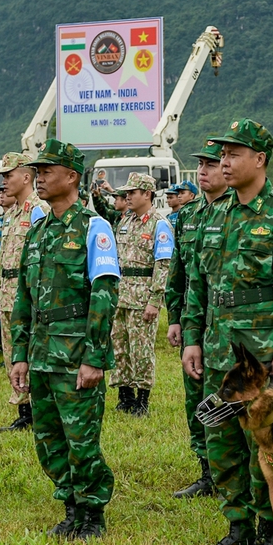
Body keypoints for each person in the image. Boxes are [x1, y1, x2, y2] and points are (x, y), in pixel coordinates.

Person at [182, 119, 273, 545]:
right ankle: (237, 526)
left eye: (234, 153)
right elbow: (199, 283)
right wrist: (193, 339)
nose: (224, 161)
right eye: (222, 154)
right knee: (220, 443)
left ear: (259, 160)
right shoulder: (214, 214)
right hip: (219, 352)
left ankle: (268, 532)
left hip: (260, 359)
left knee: (266, 444)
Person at [9, 139, 120, 541]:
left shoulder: (94, 227)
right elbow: (24, 296)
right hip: (41, 351)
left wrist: (94, 358)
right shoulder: (38, 231)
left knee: (81, 438)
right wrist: (19, 354)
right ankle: (71, 507)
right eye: (36, 172)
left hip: (75, 352)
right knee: (49, 438)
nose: (39, 178)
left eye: (47, 171)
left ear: (72, 176)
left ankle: (92, 514)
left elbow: (104, 295)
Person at [165, 138, 228, 499]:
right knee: (196, 398)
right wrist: (176, 318)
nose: (203, 171)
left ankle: (231, 472)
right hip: (194, 322)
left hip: (225, 321)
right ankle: (207, 471)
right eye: (200, 166)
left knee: (227, 397)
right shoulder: (187, 217)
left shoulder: (235, 213)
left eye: (210, 164)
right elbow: (179, 273)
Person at [0, 152, 47, 433]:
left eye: (8, 175)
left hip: (28, 296)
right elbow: (2, 260)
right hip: (9, 294)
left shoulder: (38, 211)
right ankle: (24, 410)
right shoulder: (10, 214)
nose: (4, 182)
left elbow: (41, 259)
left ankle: (38, 409)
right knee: (12, 354)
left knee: (31, 353)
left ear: (26, 177)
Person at [110, 172, 174, 416]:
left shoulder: (159, 224)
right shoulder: (125, 222)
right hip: (121, 295)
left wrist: (155, 301)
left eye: (132, 192)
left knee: (141, 349)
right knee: (120, 347)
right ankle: (124, 395)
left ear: (147, 194)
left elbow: (163, 264)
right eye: (126, 193)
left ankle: (142, 399)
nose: (127, 197)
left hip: (142, 297)